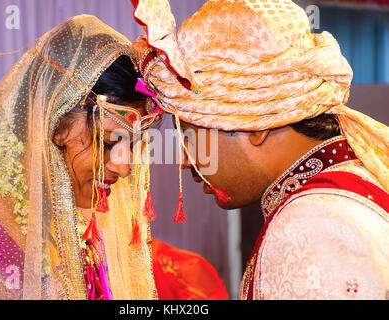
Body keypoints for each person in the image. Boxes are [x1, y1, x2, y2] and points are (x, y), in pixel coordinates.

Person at [0, 14, 228, 300]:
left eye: (133, 146)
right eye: (109, 141)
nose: (124, 167)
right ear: (55, 121)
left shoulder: (74, 221)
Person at [131, 0, 389, 299]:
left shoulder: (312, 222)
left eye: (191, 134)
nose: (184, 161)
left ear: (257, 123)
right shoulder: (345, 185)